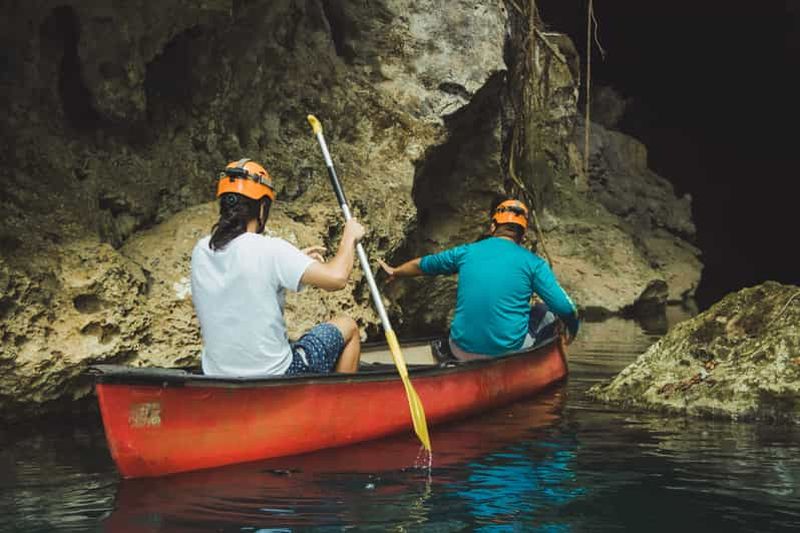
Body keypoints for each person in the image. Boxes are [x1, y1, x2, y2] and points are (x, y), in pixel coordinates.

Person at [191, 158, 365, 377]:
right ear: (262, 207)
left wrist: (296, 260)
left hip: (217, 374)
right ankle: (340, 405)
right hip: (278, 373)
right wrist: (349, 238)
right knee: (348, 326)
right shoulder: (269, 250)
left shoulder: (200, 250)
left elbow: (245, 276)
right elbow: (337, 278)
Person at [378, 199, 579, 360]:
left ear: (493, 227)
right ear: (522, 234)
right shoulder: (533, 263)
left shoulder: (466, 252)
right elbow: (566, 308)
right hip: (505, 354)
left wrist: (395, 271)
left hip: (459, 351)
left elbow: (423, 265)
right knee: (546, 312)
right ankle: (545, 362)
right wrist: (573, 329)